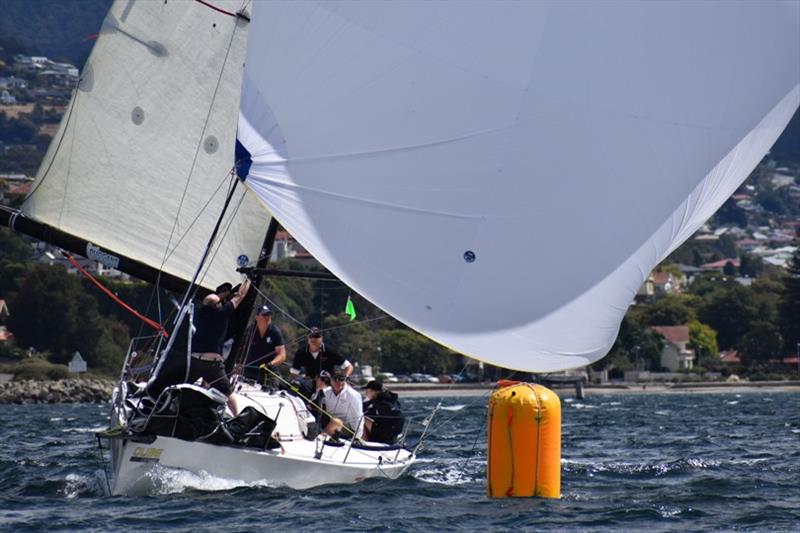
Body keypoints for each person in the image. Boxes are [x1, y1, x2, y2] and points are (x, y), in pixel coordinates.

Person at [188, 277, 251, 416]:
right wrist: (249, 280)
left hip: (194, 361)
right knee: (228, 393)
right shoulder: (222, 314)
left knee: (185, 385)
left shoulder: (201, 313)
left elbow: (209, 301)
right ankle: (237, 417)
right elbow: (240, 296)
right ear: (218, 305)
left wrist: (222, 295)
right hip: (212, 364)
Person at [290, 327, 353, 393]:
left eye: (316, 336)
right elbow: (294, 374)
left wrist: (345, 378)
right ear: (307, 338)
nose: (313, 339)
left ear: (321, 338)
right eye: (311, 336)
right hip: (309, 386)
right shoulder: (301, 353)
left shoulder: (330, 351)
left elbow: (349, 367)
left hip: (329, 386)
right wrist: (293, 388)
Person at [243, 304, 286, 381]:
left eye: (269, 315)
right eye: (264, 315)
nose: (267, 317)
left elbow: (282, 355)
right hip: (249, 368)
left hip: (267, 371)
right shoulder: (250, 330)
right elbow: (241, 348)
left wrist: (270, 364)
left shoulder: (275, 332)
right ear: (256, 317)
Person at [319, 370, 363, 439]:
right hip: (328, 423)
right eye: (335, 379)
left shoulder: (353, 395)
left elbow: (358, 417)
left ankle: (321, 439)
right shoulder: (325, 392)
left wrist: (357, 437)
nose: (338, 381)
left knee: (336, 422)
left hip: (347, 429)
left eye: (341, 379)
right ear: (330, 380)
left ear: (345, 379)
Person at [362, 380, 404, 444]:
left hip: (384, 436)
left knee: (362, 418)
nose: (366, 394)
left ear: (374, 392)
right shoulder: (391, 400)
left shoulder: (382, 403)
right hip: (393, 435)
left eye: (367, 391)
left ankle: (362, 442)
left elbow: (368, 412)